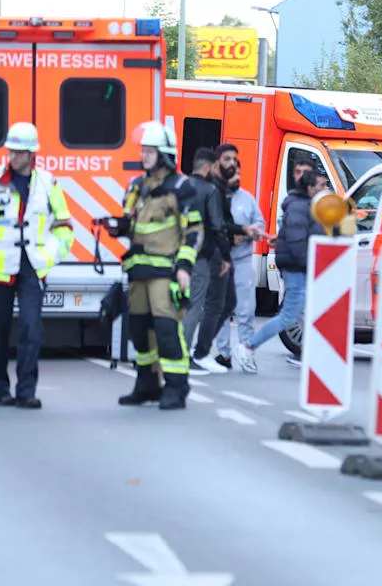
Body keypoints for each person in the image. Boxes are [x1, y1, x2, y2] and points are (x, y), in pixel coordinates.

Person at [0, 122, 74, 410]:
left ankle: (27, 391)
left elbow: (65, 223)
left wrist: (53, 254)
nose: (13, 157)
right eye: (10, 151)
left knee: (32, 329)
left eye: (19, 152)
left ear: (31, 154)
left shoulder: (48, 182)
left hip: (33, 266)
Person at [99, 121, 203, 410]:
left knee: (167, 331)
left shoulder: (181, 188)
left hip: (164, 273)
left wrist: (184, 267)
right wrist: (117, 227)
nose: (144, 156)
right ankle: (146, 384)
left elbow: (193, 231)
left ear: (165, 154)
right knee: (139, 331)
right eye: (143, 150)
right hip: (137, 271)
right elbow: (132, 223)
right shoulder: (137, 186)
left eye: (150, 151)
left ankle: (176, 388)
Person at [232, 163, 328, 374]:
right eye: (321, 185)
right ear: (310, 188)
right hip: (296, 269)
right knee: (288, 316)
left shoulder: (307, 206)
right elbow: (296, 240)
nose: (325, 189)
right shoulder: (301, 207)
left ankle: (311, 354)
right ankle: (248, 346)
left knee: (308, 313)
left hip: (299, 268)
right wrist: (311, 264)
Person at [212, 158, 266, 371]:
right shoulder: (216, 198)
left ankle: (247, 352)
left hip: (242, 262)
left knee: (246, 310)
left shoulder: (248, 199)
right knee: (221, 310)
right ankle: (223, 354)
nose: (236, 178)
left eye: (238, 174)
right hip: (222, 262)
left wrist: (247, 234)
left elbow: (260, 224)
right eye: (232, 174)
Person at [181, 148, 231, 372]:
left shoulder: (179, 185)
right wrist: (225, 256)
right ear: (208, 167)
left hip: (173, 254)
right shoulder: (210, 190)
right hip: (198, 256)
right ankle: (182, 356)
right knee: (194, 306)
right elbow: (217, 225)